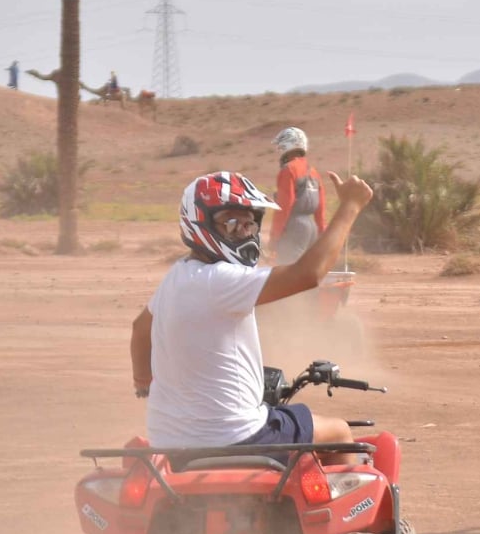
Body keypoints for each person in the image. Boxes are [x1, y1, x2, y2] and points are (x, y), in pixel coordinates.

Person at [130, 169, 373, 449]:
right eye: (232, 224)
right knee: (339, 432)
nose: (244, 232)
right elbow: (309, 274)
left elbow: (140, 329)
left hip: (168, 442)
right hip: (237, 436)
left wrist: (144, 383)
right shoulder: (221, 279)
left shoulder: (177, 277)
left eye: (250, 224)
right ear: (199, 224)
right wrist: (350, 206)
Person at [268, 126, 328, 265]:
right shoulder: (313, 172)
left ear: (286, 145)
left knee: (287, 271)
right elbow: (321, 207)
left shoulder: (288, 170)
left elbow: (284, 206)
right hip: (311, 228)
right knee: (307, 271)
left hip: (294, 227)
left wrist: (274, 237)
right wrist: (321, 233)